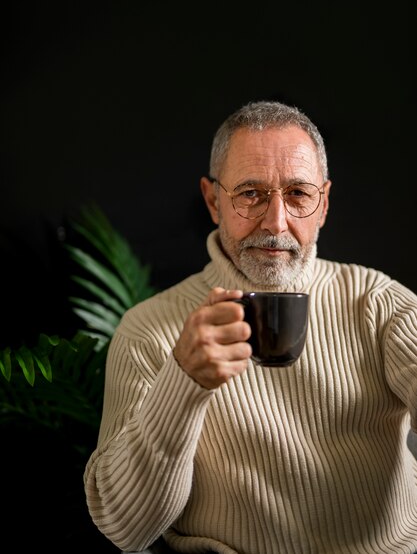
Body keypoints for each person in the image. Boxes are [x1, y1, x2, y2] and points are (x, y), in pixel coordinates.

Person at [84, 100, 417, 554]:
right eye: (250, 193)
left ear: (324, 204)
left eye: (298, 194)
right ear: (212, 200)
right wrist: (183, 384)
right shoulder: (148, 331)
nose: (275, 222)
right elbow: (126, 530)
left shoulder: (380, 304)